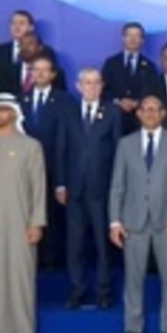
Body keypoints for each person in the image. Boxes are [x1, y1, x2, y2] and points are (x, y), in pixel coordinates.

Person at [109, 95, 167, 333]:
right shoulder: (126, 144)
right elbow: (117, 185)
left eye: (155, 109)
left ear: (163, 113)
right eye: (145, 109)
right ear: (138, 114)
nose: (150, 113)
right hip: (133, 221)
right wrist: (115, 221)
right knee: (133, 278)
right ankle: (133, 330)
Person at [62, 68, 122, 310]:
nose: (92, 87)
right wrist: (60, 183)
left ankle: (103, 292)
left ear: (102, 86)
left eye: (96, 83)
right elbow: (61, 149)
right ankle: (77, 290)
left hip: (103, 189)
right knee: (74, 244)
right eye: (87, 83)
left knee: (102, 244)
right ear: (78, 86)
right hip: (74, 188)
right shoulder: (68, 111)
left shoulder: (113, 112)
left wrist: (118, 187)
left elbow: (119, 152)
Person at [0, 93, 47, 333]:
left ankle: (22, 330)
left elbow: (38, 187)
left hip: (20, 220)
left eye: (4, 109)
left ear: (14, 113)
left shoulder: (30, 146)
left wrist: (36, 222)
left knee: (20, 275)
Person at [21, 55, 72, 271]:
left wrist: (62, 180)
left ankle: (51, 261)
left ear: (52, 74)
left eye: (44, 70)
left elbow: (67, 139)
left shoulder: (64, 100)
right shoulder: (20, 100)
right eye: (36, 70)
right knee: (27, 212)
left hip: (53, 166)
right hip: (25, 169)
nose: (40, 74)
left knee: (52, 215)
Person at [100, 22, 159, 132]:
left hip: (140, 120)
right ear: (123, 38)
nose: (133, 39)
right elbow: (103, 89)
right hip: (114, 118)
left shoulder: (149, 66)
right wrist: (118, 101)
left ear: (142, 40)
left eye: (136, 36)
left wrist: (138, 102)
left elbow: (153, 91)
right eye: (129, 35)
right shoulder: (111, 63)